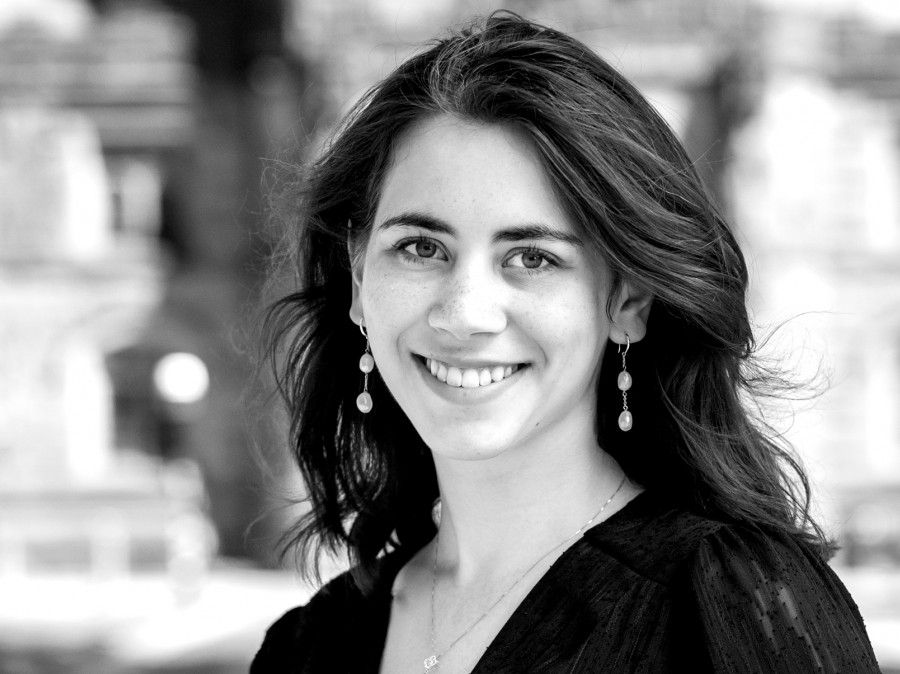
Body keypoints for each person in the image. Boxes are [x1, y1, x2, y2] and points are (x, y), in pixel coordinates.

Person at [251, 12, 879, 674]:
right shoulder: (310, 647)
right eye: (421, 247)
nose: (465, 314)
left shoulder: (734, 603)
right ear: (357, 278)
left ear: (628, 301)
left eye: (531, 258)